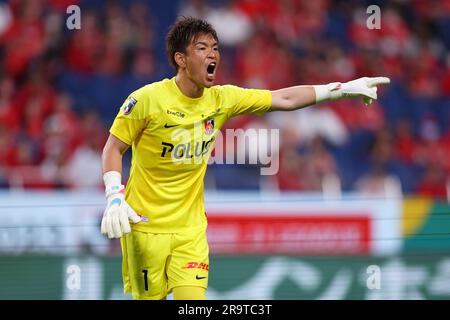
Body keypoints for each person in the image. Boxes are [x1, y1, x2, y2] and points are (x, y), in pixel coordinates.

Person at [100, 17, 390, 300]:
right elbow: (113, 148)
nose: (213, 54)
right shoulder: (146, 100)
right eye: (202, 48)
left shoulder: (221, 99)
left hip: (191, 232)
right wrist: (114, 196)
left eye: (215, 47)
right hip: (146, 228)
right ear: (181, 59)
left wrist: (340, 89)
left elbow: (283, 99)